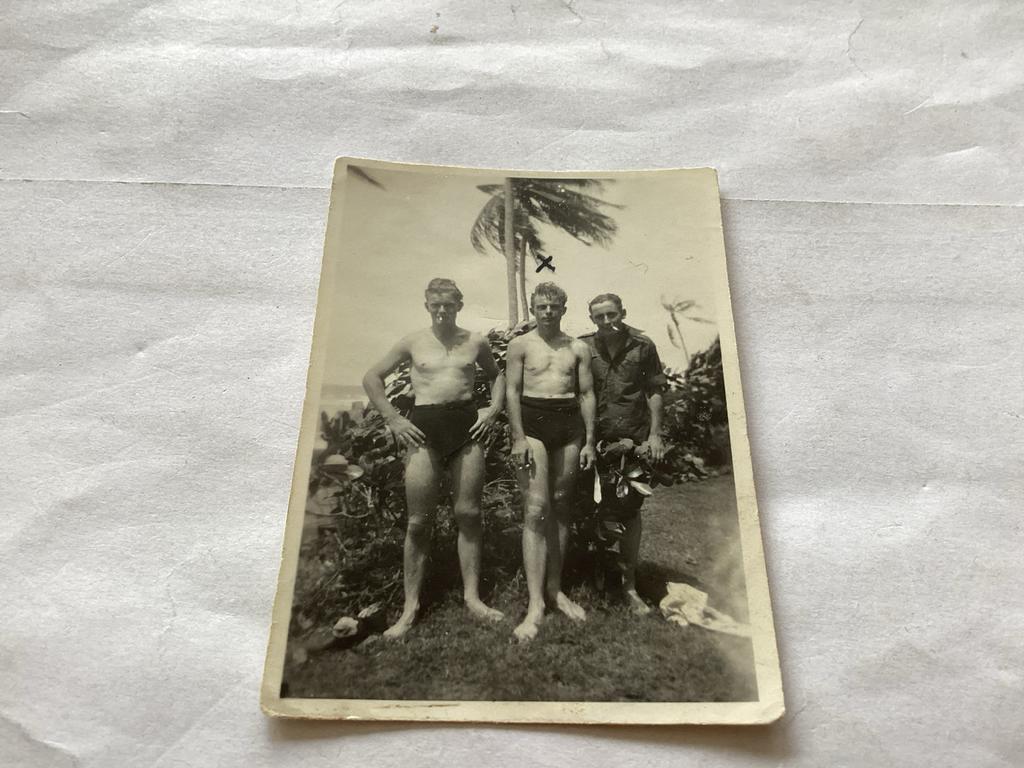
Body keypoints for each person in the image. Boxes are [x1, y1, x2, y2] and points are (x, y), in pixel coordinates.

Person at [362, 278, 505, 639]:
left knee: (469, 515)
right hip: (424, 429)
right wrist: (393, 418)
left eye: (449, 305)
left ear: (459, 305)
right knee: (418, 523)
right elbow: (372, 377)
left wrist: (493, 410)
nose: (442, 310)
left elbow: (497, 375)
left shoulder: (475, 341)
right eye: (435, 305)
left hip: (465, 428)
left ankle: (472, 597)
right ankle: (410, 607)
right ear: (427, 306)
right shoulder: (413, 341)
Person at [506, 282, 597, 641]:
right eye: (540, 306)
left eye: (553, 306)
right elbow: (512, 392)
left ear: (562, 309)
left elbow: (587, 393)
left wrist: (589, 441)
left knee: (561, 505)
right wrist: (516, 437)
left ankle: (556, 591)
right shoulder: (520, 345)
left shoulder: (577, 348)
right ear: (533, 308)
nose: (546, 312)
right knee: (536, 508)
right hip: (533, 424)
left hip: (568, 425)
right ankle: (534, 604)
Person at [581, 293, 667, 616]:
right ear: (591, 319)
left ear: (623, 312)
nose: (607, 321)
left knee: (630, 511)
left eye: (612, 314)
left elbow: (654, 391)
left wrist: (655, 435)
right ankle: (596, 573)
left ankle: (629, 585)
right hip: (590, 440)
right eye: (599, 316)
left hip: (632, 439)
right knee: (591, 508)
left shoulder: (643, 347)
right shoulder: (583, 347)